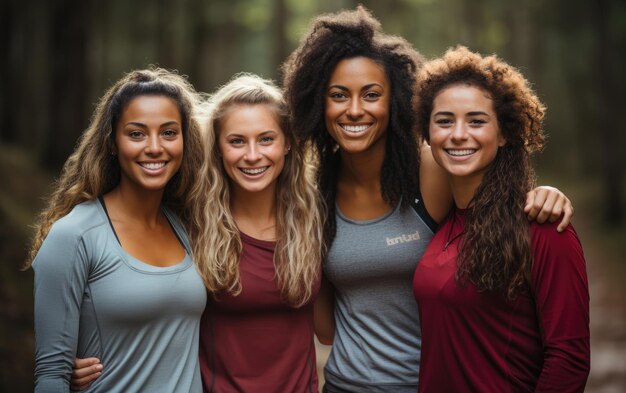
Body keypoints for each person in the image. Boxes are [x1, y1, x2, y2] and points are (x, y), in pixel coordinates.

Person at [281, 6, 574, 393]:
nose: (354, 110)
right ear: (318, 103)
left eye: (371, 95)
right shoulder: (315, 191)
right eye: (338, 95)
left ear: (395, 101)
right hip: (344, 384)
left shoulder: (429, 169)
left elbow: (487, 192)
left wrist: (544, 194)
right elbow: (326, 329)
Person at [71, 74, 326, 392]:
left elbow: (333, 320)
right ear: (217, 146)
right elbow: (135, 291)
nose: (252, 155)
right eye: (236, 141)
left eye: (266, 139)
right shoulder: (189, 221)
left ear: (287, 142)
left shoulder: (314, 217)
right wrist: (78, 353)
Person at [412, 46, 590, 392]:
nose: (458, 134)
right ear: (426, 134)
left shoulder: (543, 228)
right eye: (444, 120)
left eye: (476, 121)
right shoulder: (442, 220)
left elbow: (569, 360)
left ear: (505, 133)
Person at [27, 68, 207, 392]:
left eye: (169, 132)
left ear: (184, 140)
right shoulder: (74, 236)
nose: (155, 147)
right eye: (136, 134)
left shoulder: (188, 226)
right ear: (112, 142)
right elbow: (51, 376)